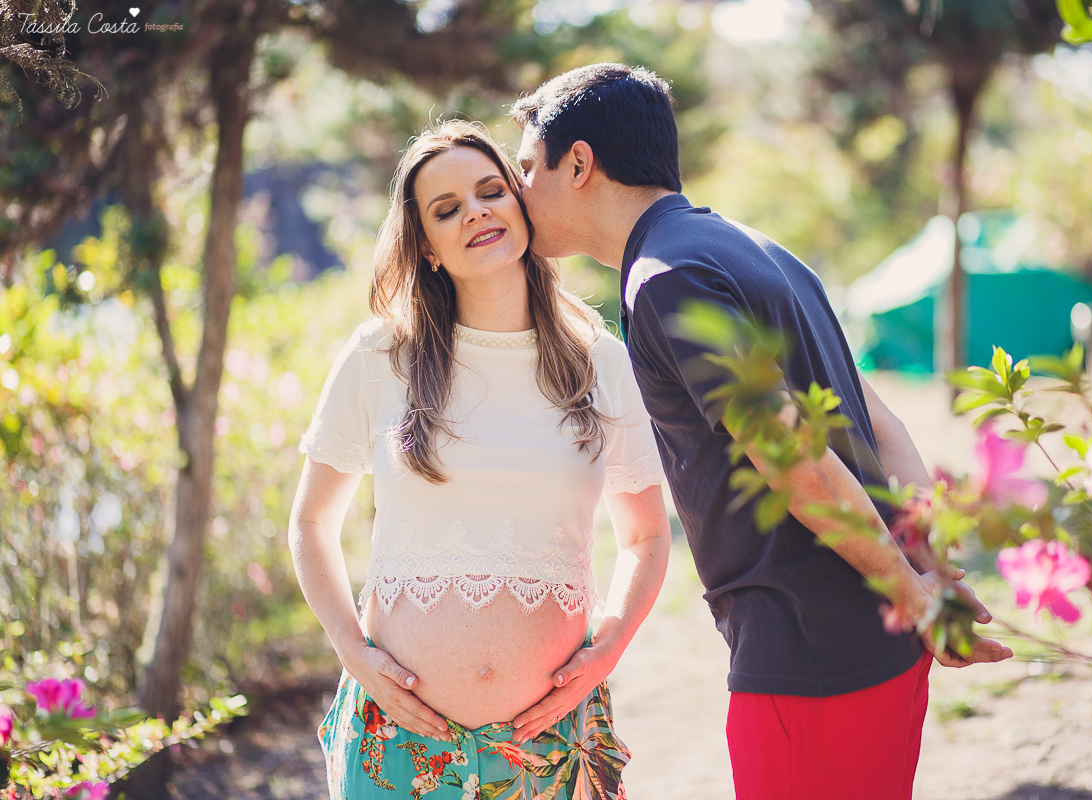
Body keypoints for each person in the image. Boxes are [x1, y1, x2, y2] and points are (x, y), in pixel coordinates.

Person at [511, 64, 1014, 800]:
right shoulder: (758, 249)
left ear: (579, 163)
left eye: (528, 167)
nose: (518, 189)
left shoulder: (665, 279)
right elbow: (879, 420)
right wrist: (924, 568)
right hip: (878, 645)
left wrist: (915, 592)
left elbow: (794, 461)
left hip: (812, 660)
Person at [289, 119, 670, 800]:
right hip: (397, 745)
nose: (476, 212)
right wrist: (352, 649)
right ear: (426, 246)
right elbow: (312, 523)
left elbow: (645, 536)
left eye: (491, 191)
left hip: (551, 749)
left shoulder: (600, 361)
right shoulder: (380, 356)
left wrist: (607, 650)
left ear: (520, 205)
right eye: (447, 209)